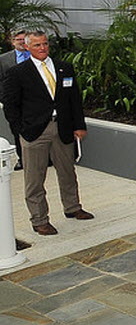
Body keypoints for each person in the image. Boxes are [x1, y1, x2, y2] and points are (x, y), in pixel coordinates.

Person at [2, 31, 92, 236]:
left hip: (63, 127)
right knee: (34, 177)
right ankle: (40, 219)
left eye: (44, 44)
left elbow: (74, 99)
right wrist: (20, 130)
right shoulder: (18, 73)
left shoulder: (64, 68)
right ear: (27, 47)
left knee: (67, 171)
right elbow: (10, 105)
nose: (42, 48)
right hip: (34, 131)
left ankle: (73, 207)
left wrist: (79, 125)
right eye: (36, 45)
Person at [0, 29, 31, 170]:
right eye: (19, 39)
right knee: (17, 131)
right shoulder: (4, 59)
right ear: (13, 42)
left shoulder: (36, 56)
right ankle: (22, 159)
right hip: (13, 104)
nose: (22, 42)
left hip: (34, 102)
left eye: (24, 39)